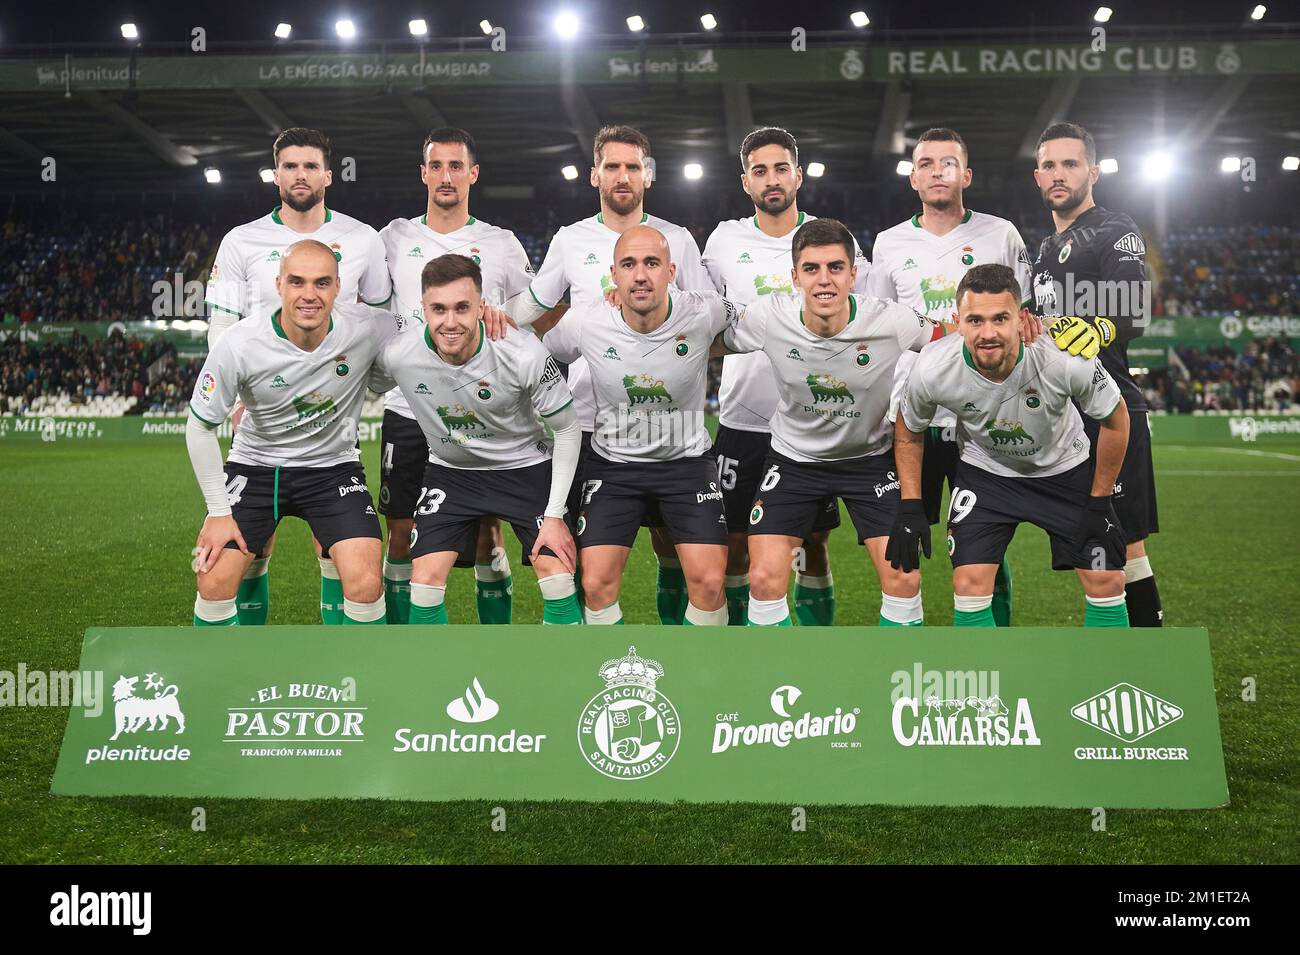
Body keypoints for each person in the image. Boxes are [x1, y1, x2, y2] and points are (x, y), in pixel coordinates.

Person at [507, 125, 714, 624]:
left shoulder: (678, 240)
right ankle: (591, 669)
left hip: (669, 429)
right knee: (589, 564)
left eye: (633, 166)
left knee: (674, 549)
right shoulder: (570, 239)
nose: (623, 176)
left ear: (648, 175)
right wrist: (488, 318)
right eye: (613, 166)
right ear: (595, 174)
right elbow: (535, 306)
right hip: (590, 424)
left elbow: (707, 312)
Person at [203, 127, 391, 625]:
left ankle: (344, 674)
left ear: (328, 174)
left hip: (332, 436)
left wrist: (363, 388)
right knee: (248, 555)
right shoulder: (241, 241)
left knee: (337, 554)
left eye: (310, 166)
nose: (300, 174)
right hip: (261, 426)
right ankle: (244, 666)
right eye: (290, 166)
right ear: (276, 175)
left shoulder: (363, 240)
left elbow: (379, 327)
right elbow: (222, 327)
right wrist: (234, 402)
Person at [720, 218, 946, 627]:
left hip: (869, 461)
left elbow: (952, 338)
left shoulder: (892, 321)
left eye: (835, 268)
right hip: (793, 461)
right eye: (811, 269)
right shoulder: (769, 316)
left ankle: (891, 684)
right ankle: (783, 678)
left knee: (904, 578)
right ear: (794, 276)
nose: (824, 280)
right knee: (765, 577)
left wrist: (1028, 327)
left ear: (853, 273)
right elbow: (698, 335)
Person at [890, 263, 1131, 627]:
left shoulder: (1064, 357)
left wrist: (1099, 500)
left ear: (1021, 319)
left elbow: (1116, 420)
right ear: (958, 320)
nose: (988, 333)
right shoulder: (932, 367)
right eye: (975, 321)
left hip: (1066, 471)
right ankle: (982, 682)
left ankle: (1113, 679)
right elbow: (908, 431)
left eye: (1000, 319)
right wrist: (910, 505)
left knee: (1106, 579)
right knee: (968, 584)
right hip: (987, 476)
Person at [868, 127, 1037, 626]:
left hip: (983, 413)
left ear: (965, 175)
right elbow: (880, 328)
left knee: (985, 541)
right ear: (913, 179)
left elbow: (1027, 320)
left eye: (947, 162)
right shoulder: (889, 243)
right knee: (903, 542)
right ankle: (906, 660)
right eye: (925, 163)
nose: (936, 170)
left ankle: (993, 651)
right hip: (912, 419)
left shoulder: (1001, 233)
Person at [702, 126, 870, 626]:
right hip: (743, 419)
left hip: (813, 423)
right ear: (745, 181)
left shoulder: (830, 238)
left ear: (798, 174)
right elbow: (698, 313)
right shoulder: (724, 240)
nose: (771, 180)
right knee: (734, 543)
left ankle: (811, 652)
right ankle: (739, 652)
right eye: (760, 171)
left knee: (812, 544)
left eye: (780, 168)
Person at [368, 254, 582, 625]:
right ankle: (433, 677)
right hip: (451, 472)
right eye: (438, 309)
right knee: (424, 585)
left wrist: (554, 515)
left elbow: (566, 428)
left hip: (524, 468)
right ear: (423, 308)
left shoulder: (523, 352)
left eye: (462, 308)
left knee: (559, 579)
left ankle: (559, 676)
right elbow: (363, 373)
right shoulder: (399, 352)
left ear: (482, 307)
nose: (450, 322)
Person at [377, 128, 535, 625]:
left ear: (473, 174)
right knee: (401, 534)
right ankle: (406, 649)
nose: (446, 176)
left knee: (488, 533)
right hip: (409, 409)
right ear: (424, 173)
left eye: (456, 166)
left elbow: (531, 314)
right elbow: (369, 311)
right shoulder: (391, 239)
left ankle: (494, 646)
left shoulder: (501, 245)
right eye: (437, 166)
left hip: (479, 408)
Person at [540, 226, 732, 626]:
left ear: (671, 271)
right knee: (594, 585)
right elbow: (540, 354)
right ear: (614, 274)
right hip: (614, 467)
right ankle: (610, 675)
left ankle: (702, 681)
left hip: (687, 464)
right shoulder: (587, 320)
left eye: (651, 263)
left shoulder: (704, 310)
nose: (640, 274)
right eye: (628, 265)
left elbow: (756, 325)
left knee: (711, 582)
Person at [1032, 122, 1162, 626]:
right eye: (1049, 165)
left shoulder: (1116, 229)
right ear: (1037, 175)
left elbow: (1134, 311)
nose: (1058, 174)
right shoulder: (1044, 249)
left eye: (1070, 163)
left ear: (1094, 170)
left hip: (1110, 412)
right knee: (1096, 547)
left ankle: (1149, 663)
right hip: (1061, 415)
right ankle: (1114, 661)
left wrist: (1100, 327)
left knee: (1125, 546)